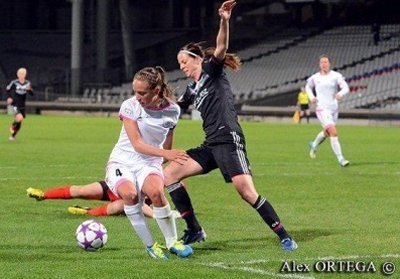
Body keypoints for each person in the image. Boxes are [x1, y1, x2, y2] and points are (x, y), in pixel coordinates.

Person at [163, 0, 298, 252]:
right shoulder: (191, 89)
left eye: (183, 61)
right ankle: (194, 230)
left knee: (246, 192)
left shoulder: (211, 71)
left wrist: (224, 20)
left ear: (196, 59)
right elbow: (173, 110)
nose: (181, 66)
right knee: (168, 175)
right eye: (178, 62)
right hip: (210, 144)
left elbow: (222, 46)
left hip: (228, 139)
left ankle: (284, 235)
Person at [105, 66, 193, 259]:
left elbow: (168, 137)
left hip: (150, 161)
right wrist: (167, 153)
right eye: (135, 91)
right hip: (123, 160)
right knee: (129, 195)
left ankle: (172, 242)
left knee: (156, 192)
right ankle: (151, 245)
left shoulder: (173, 110)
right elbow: (137, 144)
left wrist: (162, 163)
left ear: (156, 91)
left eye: (142, 93)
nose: (137, 96)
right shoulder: (130, 106)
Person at [25, 181, 177, 218]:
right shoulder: (149, 173)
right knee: (82, 190)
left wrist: (161, 215)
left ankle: (87, 212)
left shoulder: (157, 192)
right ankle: (43, 195)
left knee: (119, 206)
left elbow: (141, 205)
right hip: (115, 186)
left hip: (126, 200)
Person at [306, 54, 350, 167]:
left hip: (333, 108)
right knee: (333, 132)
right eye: (322, 62)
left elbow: (346, 87)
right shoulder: (315, 77)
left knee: (328, 132)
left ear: (329, 63)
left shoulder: (336, 76)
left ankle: (314, 144)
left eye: (326, 62)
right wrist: (311, 97)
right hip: (321, 108)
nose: (324, 64)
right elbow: (308, 87)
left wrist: (340, 93)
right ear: (319, 64)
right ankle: (341, 159)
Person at [5, 67, 33, 141]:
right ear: (17, 74)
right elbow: (7, 90)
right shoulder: (14, 82)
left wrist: (29, 90)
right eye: (20, 73)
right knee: (19, 118)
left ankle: (13, 136)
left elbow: (32, 93)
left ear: (25, 74)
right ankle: (12, 126)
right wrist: (9, 97)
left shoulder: (28, 83)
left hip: (22, 104)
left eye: (23, 73)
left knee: (20, 121)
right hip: (15, 103)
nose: (21, 75)